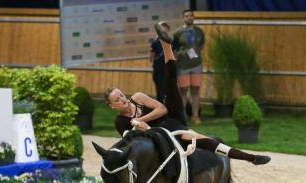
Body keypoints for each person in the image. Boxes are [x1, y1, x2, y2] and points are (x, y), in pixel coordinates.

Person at [104, 23, 270, 165]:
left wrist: (139, 119)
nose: (122, 98)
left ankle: (166, 45)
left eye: (121, 95)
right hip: (161, 135)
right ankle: (251, 158)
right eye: (117, 99)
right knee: (205, 141)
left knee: (171, 86)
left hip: (171, 120)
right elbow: (134, 142)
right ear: (112, 106)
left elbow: (162, 110)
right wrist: (142, 127)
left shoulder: (138, 97)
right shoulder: (120, 121)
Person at [172, 9, 205, 125]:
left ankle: (195, 116)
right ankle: (182, 117)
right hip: (182, 65)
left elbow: (201, 46)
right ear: (183, 18)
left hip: (196, 64)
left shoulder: (199, 31)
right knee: (183, 91)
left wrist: (194, 54)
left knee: (195, 90)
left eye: (191, 15)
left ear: (194, 17)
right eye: (187, 16)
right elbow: (174, 49)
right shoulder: (178, 33)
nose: (189, 17)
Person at [150, 21, 170, 102]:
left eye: (165, 27)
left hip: (168, 67)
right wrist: (152, 63)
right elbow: (152, 54)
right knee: (160, 89)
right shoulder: (155, 41)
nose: (164, 29)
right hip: (158, 68)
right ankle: (160, 106)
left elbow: (175, 54)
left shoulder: (171, 40)